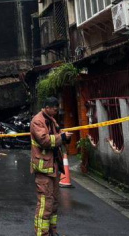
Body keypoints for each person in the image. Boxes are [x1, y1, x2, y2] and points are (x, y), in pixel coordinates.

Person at [31, 97, 72, 236]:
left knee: (53, 203)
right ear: (47, 107)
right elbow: (44, 140)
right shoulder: (38, 121)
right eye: (55, 108)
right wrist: (62, 138)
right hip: (43, 169)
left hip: (53, 168)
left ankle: (52, 231)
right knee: (45, 204)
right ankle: (42, 233)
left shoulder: (51, 119)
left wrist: (64, 137)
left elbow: (56, 136)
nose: (57, 110)